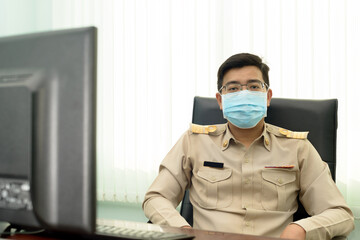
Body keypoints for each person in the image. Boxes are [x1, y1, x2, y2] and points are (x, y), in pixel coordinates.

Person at [142, 53, 354, 240]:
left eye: (254, 86)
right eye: (233, 88)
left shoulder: (297, 148)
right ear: (221, 100)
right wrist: (181, 230)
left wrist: (300, 229)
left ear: (267, 96)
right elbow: (156, 197)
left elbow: (339, 214)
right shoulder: (194, 142)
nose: (244, 94)